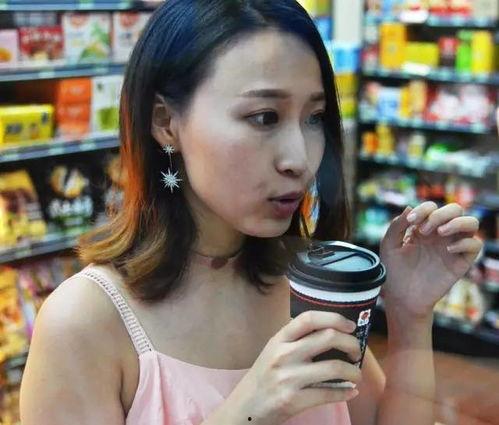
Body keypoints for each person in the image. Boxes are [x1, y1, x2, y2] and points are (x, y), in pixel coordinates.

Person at [19, 1, 483, 424]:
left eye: (314, 118)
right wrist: (248, 410)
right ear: (165, 122)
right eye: (264, 117)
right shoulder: (83, 323)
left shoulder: (308, 286)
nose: (299, 159)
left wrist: (409, 316)